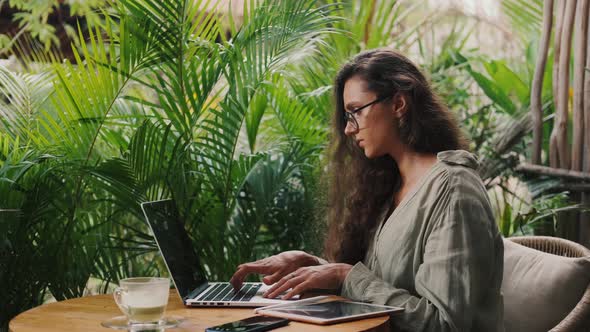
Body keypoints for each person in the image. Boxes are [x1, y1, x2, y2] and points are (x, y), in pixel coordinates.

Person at [229, 49, 504, 332]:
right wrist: (316, 268)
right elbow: (385, 286)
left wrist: (345, 275)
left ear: (398, 104)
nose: (349, 129)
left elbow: (446, 325)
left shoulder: (452, 190)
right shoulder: (394, 185)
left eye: (355, 112)